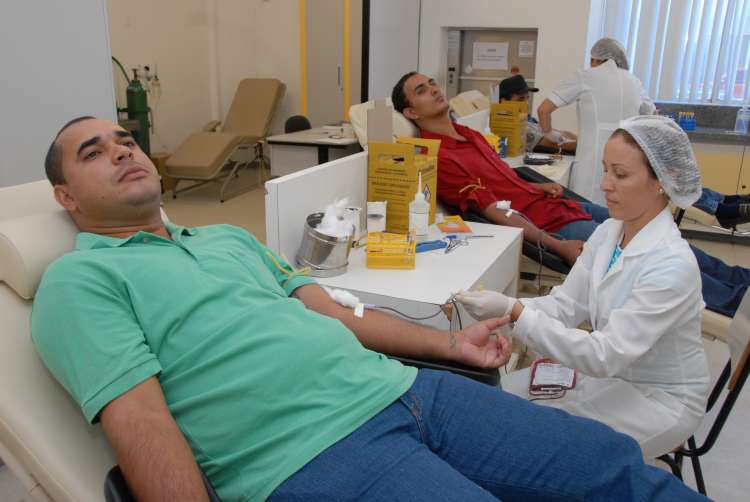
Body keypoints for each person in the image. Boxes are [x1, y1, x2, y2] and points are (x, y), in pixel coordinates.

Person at [29, 116, 707, 501]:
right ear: (67, 199)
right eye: (95, 153)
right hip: (310, 453)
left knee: (608, 467)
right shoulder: (80, 281)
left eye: (126, 139)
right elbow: (142, 421)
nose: (122, 150)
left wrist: (450, 347)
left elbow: (332, 312)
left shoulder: (226, 238)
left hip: (411, 392)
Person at [392, 71, 750, 318]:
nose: (435, 89)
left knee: (659, 234)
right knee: (648, 254)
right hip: (551, 224)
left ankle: (739, 279)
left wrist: (537, 186)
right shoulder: (439, 156)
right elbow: (493, 210)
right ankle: (736, 301)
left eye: (433, 83)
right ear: (410, 112)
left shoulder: (467, 135)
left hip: (558, 204)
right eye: (421, 90)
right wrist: (554, 244)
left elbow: (501, 183)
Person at [456, 115, 710, 459]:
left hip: (660, 399)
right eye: (606, 170)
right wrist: (505, 311)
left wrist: (515, 312)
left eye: (620, 175)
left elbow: (605, 355)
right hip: (613, 377)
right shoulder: (609, 232)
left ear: (663, 181)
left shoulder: (671, 265)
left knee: (540, 452)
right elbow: (565, 307)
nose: (605, 184)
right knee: (499, 401)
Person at [537, 37, 655, 204]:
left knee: (588, 210)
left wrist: (550, 135)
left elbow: (543, 110)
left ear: (594, 58)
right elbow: (651, 115)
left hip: (591, 162)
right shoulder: (634, 82)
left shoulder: (585, 76)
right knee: (618, 213)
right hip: (627, 163)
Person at [497, 74, 577, 154]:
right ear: (504, 101)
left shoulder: (527, 119)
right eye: (520, 99)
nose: (526, 103)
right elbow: (553, 143)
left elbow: (559, 133)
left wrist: (580, 139)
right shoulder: (511, 126)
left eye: (527, 98)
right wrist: (584, 145)